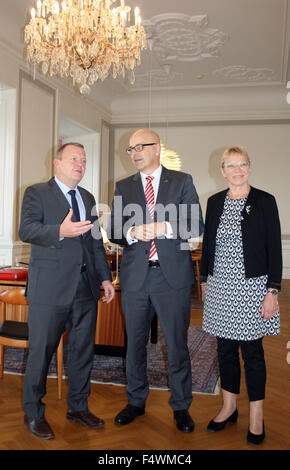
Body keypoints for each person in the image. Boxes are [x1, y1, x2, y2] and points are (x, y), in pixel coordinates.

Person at [108, 129, 204, 433]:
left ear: (157, 148)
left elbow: (195, 223)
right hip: (136, 277)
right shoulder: (123, 186)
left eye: (140, 147)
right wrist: (131, 233)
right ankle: (136, 401)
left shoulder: (181, 181)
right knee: (134, 343)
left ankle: (181, 406)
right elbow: (113, 230)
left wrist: (164, 226)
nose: (135, 153)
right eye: (130, 149)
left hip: (171, 277)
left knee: (176, 345)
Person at [19, 142, 114, 440]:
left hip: (85, 291)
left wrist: (105, 278)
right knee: (41, 353)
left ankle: (78, 406)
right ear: (57, 163)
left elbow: (95, 242)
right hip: (49, 291)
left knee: (82, 352)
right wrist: (59, 231)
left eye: (84, 160)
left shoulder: (87, 197)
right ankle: (33, 413)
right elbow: (27, 229)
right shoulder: (36, 193)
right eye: (74, 159)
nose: (80, 164)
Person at [200, 146, 282, 445]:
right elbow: (209, 244)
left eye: (242, 164)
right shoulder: (215, 202)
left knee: (252, 354)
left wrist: (272, 291)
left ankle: (257, 415)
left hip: (252, 287)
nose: (237, 170)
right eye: (231, 166)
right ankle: (229, 406)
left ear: (249, 167)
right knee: (224, 351)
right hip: (221, 286)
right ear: (222, 170)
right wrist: (204, 280)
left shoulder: (264, 201)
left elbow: (275, 248)